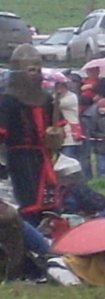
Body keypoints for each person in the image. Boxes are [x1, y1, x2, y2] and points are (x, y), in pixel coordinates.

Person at [0, 44, 65, 224]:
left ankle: (49, 227)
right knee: (29, 199)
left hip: (44, 155)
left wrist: (56, 134)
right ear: (18, 72)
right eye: (30, 70)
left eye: (37, 70)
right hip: (20, 156)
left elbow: (58, 125)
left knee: (49, 200)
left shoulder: (46, 98)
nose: (34, 74)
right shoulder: (8, 100)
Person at [56, 81, 82, 161]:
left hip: (70, 132)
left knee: (68, 159)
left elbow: (57, 104)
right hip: (60, 132)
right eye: (58, 87)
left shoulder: (71, 97)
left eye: (61, 87)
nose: (59, 90)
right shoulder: (58, 96)